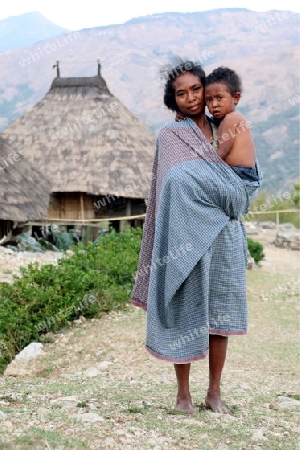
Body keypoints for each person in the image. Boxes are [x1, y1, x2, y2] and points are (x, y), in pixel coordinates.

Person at [131, 60, 262, 415]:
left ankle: (215, 392)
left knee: (220, 317)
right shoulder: (171, 135)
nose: (190, 98)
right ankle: (183, 395)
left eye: (195, 90)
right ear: (172, 101)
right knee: (186, 312)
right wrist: (214, 184)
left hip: (224, 234)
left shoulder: (227, 125)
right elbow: (173, 187)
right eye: (180, 94)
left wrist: (220, 185)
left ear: (207, 90)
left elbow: (240, 192)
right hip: (186, 237)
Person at [205, 66, 260, 184]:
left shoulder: (232, 118)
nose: (214, 104)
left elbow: (222, 153)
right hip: (241, 173)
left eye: (219, 98)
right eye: (209, 100)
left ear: (236, 98)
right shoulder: (222, 119)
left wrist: (203, 169)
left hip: (240, 174)